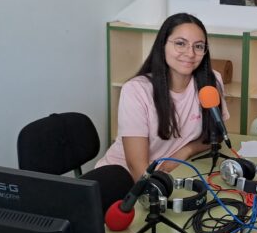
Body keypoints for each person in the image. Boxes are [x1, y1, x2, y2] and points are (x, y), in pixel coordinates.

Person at [93, 13, 229, 181]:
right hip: (124, 179)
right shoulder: (136, 90)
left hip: (173, 173)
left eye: (199, 46)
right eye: (180, 44)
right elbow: (136, 166)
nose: (190, 53)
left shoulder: (211, 81)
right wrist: (156, 195)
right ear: (162, 45)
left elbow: (215, 134)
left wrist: (185, 151)